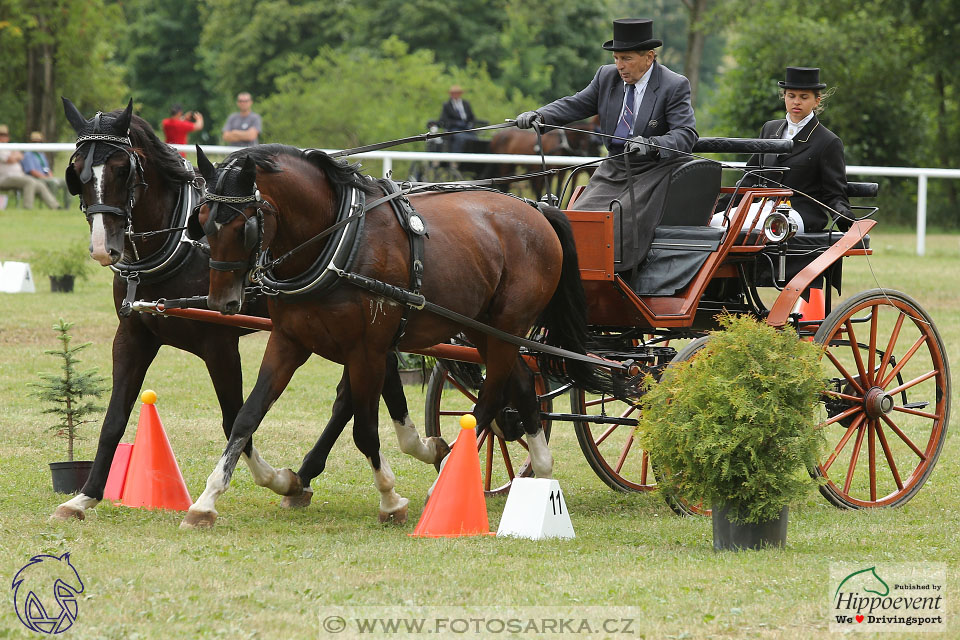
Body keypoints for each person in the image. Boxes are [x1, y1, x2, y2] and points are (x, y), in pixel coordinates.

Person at [515, 18, 698, 271]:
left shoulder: (674, 85)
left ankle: (620, 279)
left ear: (649, 57)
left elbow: (687, 134)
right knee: (579, 222)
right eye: (616, 58)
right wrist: (540, 115)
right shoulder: (606, 76)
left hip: (655, 169)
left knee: (619, 222)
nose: (620, 66)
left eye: (627, 59)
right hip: (615, 166)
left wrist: (652, 144)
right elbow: (575, 104)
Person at [713, 67, 850, 233]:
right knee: (716, 222)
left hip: (801, 212)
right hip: (764, 206)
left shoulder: (828, 141)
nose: (796, 102)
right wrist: (718, 208)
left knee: (761, 227)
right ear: (784, 97)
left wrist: (842, 214)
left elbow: (834, 192)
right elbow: (749, 178)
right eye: (791, 96)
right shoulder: (770, 129)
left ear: (817, 100)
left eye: (804, 97)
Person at [0, 125, 61, 210]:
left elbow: (20, 156)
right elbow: (10, 159)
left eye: (5, 135)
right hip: (5, 178)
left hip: (19, 176)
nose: (4, 137)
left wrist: (15, 156)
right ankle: (28, 208)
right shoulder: (4, 148)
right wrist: (15, 156)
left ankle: (55, 207)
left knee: (40, 185)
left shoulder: (11, 147)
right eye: (1, 135)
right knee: (30, 181)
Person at [439, 85, 478, 154]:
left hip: (467, 127)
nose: (455, 95)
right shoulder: (447, 105)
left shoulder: (466, 104)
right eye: (454, 93)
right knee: (460, 138)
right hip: (454, 129)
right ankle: (456, 158)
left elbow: (472, 117)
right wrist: (456, 123)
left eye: (457, 93)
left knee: (475, 139)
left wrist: (470, 124)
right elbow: (444, 119)